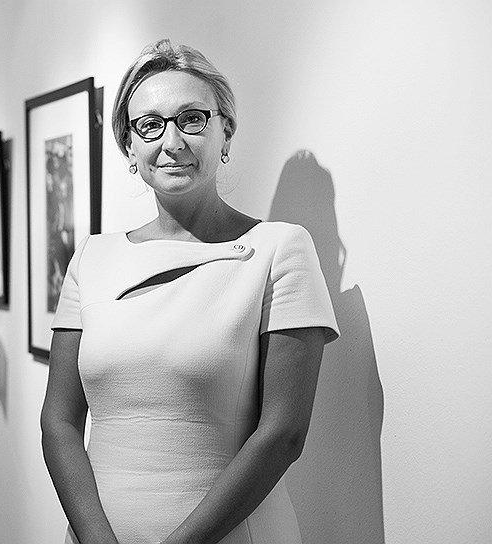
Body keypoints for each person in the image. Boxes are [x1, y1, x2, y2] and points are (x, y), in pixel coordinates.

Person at [40, 39, 340, 544]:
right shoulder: (91, 257)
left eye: (192, 119)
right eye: (150, 125)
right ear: (129, 147)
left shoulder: (279, 250)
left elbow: (283, 434)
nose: (172, 141)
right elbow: (59, 421)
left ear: (225, 133)